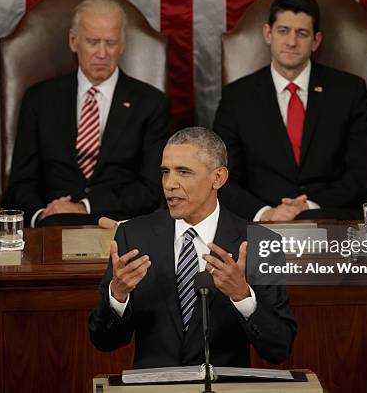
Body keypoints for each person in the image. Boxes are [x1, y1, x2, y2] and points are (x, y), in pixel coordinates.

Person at [88, 127, 296, 369]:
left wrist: (242, 296)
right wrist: (118, 297)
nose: (170, 184)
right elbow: (103, 341)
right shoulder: (133, 236)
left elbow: (279, 348)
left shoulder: (259, 243)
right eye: (165, 172)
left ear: (218, 178)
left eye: (183, 172)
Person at [2, 0, 169, 227]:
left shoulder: (151, 103)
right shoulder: (39, 99)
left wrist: (84, 208)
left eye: (110, 43)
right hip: (52, 226)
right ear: (73, 41)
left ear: (122, 45)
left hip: (120, 228)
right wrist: (42, 215)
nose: (102, 53)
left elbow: (151, 189)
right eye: (93, 42)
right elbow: (21, 183)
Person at [213, 0, 367, 222]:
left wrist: (309, 207)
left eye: (302, 33)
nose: (292, 42)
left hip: (331, 219)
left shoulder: (349, 91)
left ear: (316, 40)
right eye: (283, 31)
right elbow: (221, 178)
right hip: (259, 225)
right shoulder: (237, 97)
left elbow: (365, 174)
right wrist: (266, 213)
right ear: (268, 33)